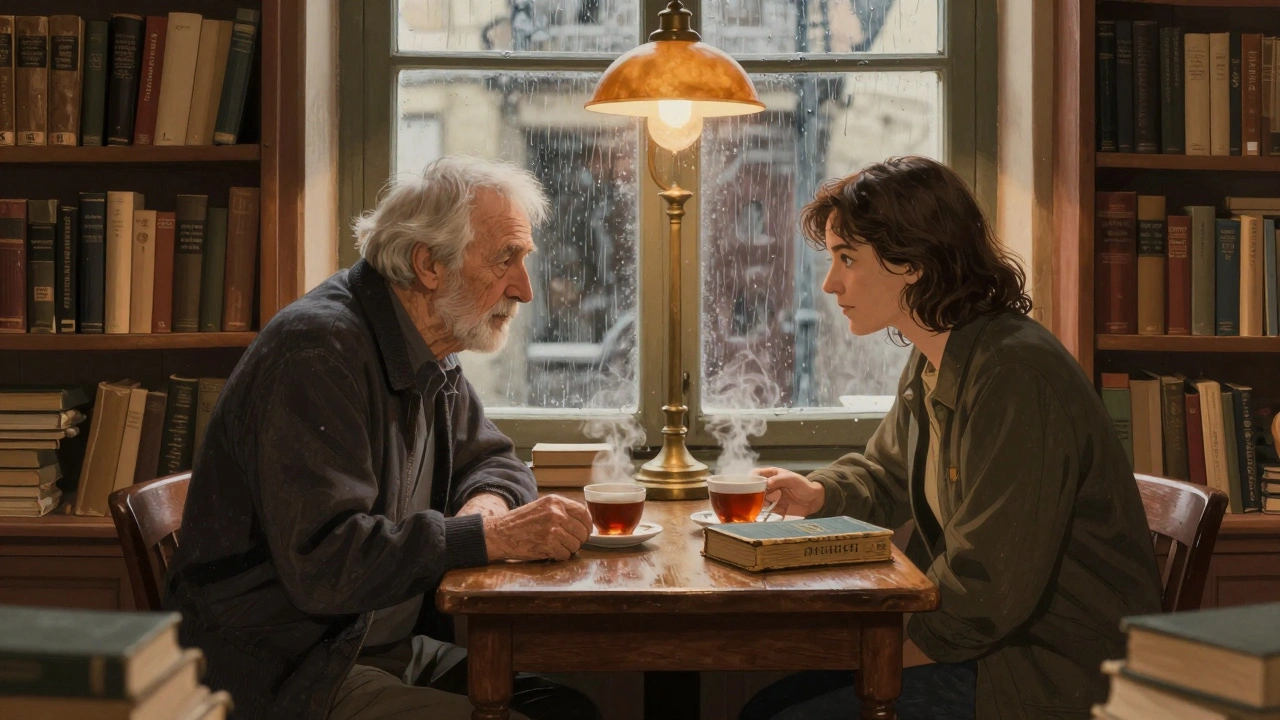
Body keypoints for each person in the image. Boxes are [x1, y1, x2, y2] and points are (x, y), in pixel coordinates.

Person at [165, 156, 601, 720]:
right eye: (505, 260)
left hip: (372, 646)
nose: (524, 289)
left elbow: (494, 459)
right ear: (429, 265)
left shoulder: (425, 344)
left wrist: (486, 514)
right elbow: (328, 565)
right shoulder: (319, 353)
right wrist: (485, 539)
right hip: (291, 673)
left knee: (569, 709)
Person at [740, 156, 1163, 720]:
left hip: (1040, 677)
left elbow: (985, 590)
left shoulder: (1014, 376)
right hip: (986, 649)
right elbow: (887, 471)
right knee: (765, 706)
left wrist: (878, 654)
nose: (830, 282)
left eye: (847, 259)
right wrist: (819, 494)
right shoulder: (939, 356)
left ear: (911, 263)